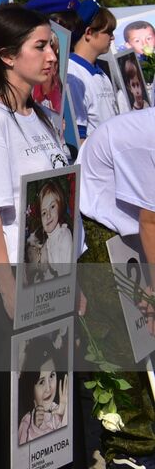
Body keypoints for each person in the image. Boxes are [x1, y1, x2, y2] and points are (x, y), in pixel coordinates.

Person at [0, 3, 71, 466]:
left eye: (52, 45)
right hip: (11, 284)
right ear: (7, 56)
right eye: (40, 46)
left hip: (48, 282)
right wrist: (7, 288)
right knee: (14, 410)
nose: (51, 55)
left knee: (52, 409)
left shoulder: (42, 116)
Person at [78, 105, 155, 462]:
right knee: (122, 344)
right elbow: (150, 221)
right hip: (103, 232)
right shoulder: (145, 140)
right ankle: (130, 448)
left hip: (133, 233)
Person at [67, 0, 119, 140]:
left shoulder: (101, 72)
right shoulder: (72, 75)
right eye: (108, 32)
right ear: (89, 32)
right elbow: (78, 137)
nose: (112, 37)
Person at [16, 334, 69, 445]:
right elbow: (24, 457)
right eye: (41, 382)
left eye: (51, 376)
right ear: (31, 387)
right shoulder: (27, 422)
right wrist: (36, 429)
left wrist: (64, 412)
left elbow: (67, 445)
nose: (48, 388)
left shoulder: (59, 411)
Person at [23, 178, 73, 284]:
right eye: (44, 213)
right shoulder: (48, 240)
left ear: (60, 205)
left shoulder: (63, 235)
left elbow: (65, 272)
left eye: (52, 207)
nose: (48, 215)